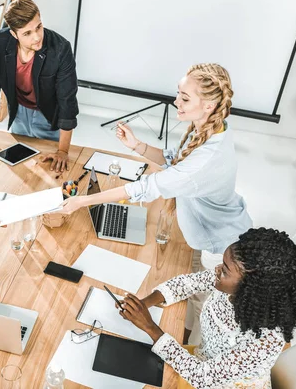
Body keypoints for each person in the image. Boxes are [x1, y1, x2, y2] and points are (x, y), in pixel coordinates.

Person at [59, 63, 252, 343]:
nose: (176, 102)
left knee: (201, 307)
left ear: (209, 105)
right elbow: (174, 159)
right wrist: (137, 146)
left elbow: (146, 187)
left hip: (220, 246)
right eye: (179, 94)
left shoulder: (207, 158)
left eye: (185, 98)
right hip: (213, 232)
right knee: (190, 295)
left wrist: (83, 201)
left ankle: (192, 349)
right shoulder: (215, 128)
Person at [116, 228, 296, 388]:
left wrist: (150, 327)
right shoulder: (230, 286)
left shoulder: (265, 341)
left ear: (251, 288)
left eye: (224, 270)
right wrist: (144, 304)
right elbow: (188, 284)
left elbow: (203, 378)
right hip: (200, 360)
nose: (216, 270)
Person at [0, 0, 79, 173]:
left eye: (38, 27)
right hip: (18, 111)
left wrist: (63, 150)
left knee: (50, 170)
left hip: (48, 115)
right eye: (27, 33)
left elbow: (67, 100)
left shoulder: (60, 48)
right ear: (14, 34)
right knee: (20, 167)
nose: (36, 37)